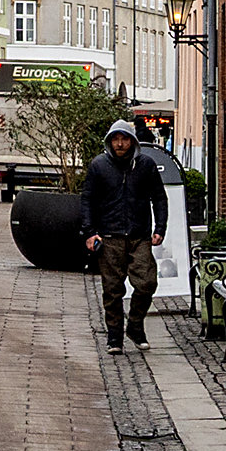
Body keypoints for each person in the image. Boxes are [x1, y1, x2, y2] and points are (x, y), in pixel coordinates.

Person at [79, 117, 167, 351]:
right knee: (112, 289)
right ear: (109, 142)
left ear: (133, 141)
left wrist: (160, 228)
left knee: (147, 282)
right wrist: (89, 232)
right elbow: (87, 199)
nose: (119, 144)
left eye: (124, 139)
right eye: (115, 139)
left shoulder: (145, 165)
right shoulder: (99, 165)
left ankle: (135, 325)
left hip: (139, 235)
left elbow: (159, 197)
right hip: (110, 235)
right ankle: (115, 335)